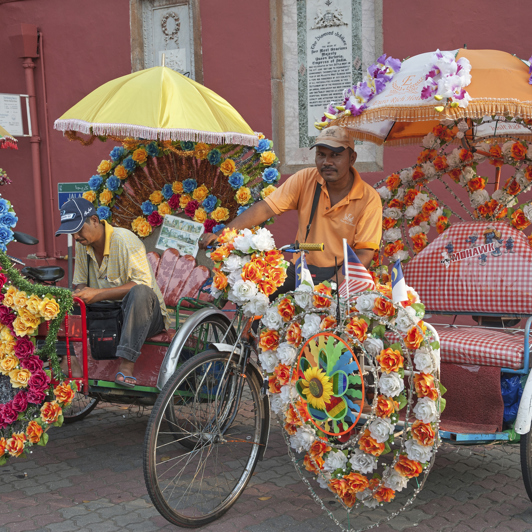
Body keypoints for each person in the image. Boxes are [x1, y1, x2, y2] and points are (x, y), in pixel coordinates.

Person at [200, 126, 382, 291]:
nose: (327, 161)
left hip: (342, 275)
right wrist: (223, 234)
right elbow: (265, 209)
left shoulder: (368, 198)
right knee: (255, 296)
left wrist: (332, 286)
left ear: (352, 158)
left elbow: (363, 253)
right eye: (321, 154)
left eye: (335, 155)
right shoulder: (305, 179)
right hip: (301, 270)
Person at [55, 198, 169, 388]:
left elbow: (143, 285)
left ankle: (126, 367)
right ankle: (71, 361)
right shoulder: (83, 245)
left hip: (145, 314)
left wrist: (98, 294)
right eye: (71, 232)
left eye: (78, 229)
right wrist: (78, 294)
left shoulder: (125, 240)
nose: (75, 237)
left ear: (94, 220)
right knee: (59, 301)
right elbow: (81, 284)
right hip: (107, 312)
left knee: (139, 292)